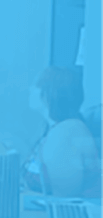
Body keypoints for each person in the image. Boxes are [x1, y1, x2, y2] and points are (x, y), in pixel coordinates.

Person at [24, 67, 101, 198]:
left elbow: (63, 201)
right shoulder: (56, 129)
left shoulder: (66, 133)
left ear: (49, 94)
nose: (29, 89)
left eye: (36, 85)